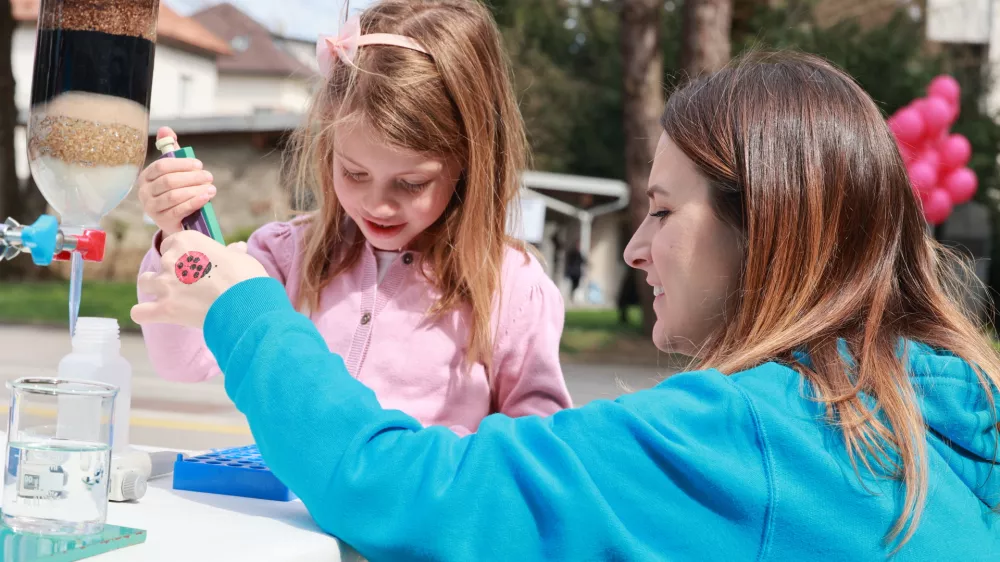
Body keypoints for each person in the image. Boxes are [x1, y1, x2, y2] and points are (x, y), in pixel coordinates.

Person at [132, 51, 1000, 561]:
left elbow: (403, 491)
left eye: (663, 211)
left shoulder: (745, 437)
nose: (632, 248)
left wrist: (248, 310)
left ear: (761, 229)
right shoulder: (947, 411)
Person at [134, 0, 572, 434]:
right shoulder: (287, 256)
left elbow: (541, 450)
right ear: (329, 148)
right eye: (355, 173)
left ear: (470, 164)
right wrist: (179, 235)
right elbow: (184, 362)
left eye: (411, 183)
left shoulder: (510, 287)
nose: (378, 205)